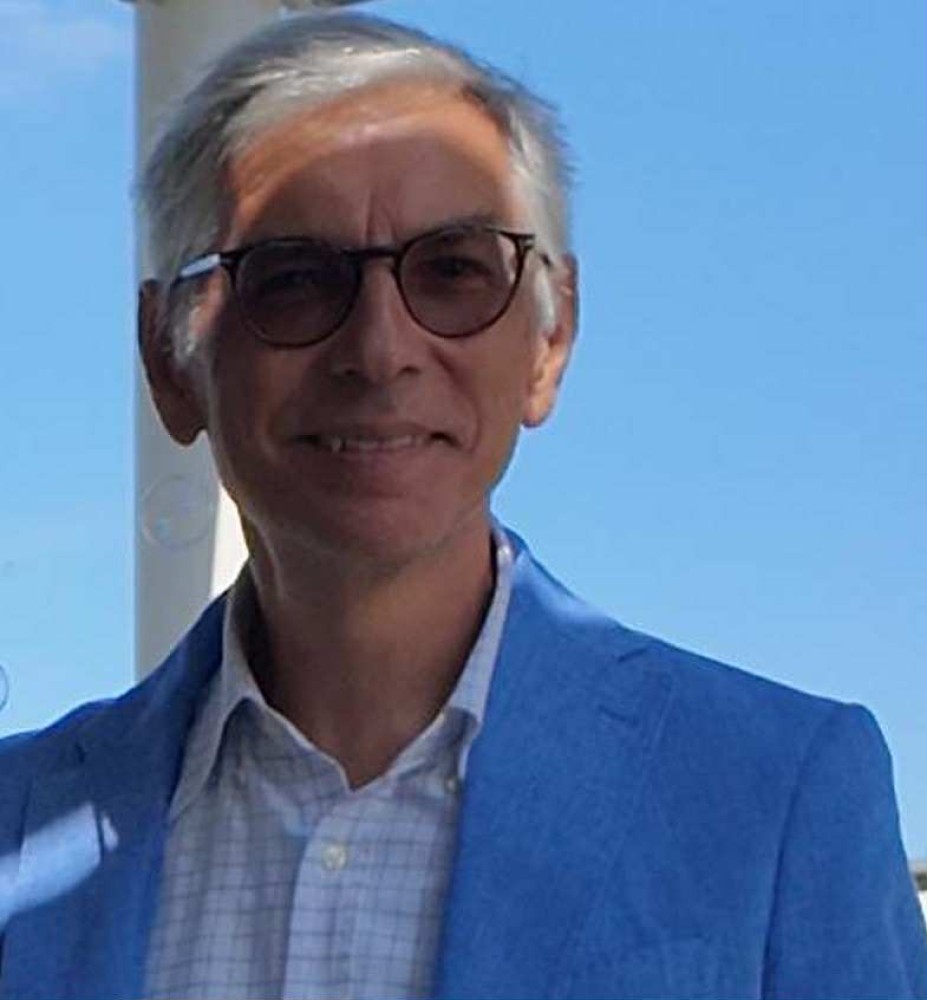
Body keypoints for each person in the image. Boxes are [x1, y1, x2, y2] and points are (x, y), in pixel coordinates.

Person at [0, 11, 925, 1000]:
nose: (379, 350)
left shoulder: (777, 802)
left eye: (451, 271)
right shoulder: (20, 822)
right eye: (294, 279)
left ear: (550, 340)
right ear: (167, 357)